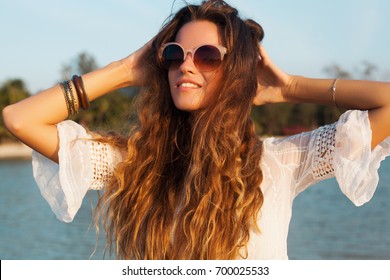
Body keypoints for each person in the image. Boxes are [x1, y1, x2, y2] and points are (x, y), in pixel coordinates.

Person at [2, 0, 390, 260]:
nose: (185, 67)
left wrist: (289, 87)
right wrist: (125, 69)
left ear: (235, 73)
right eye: (173, 55)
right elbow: (20, 118)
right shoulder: (133, 164)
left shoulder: (281, 161)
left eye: (206, 56)